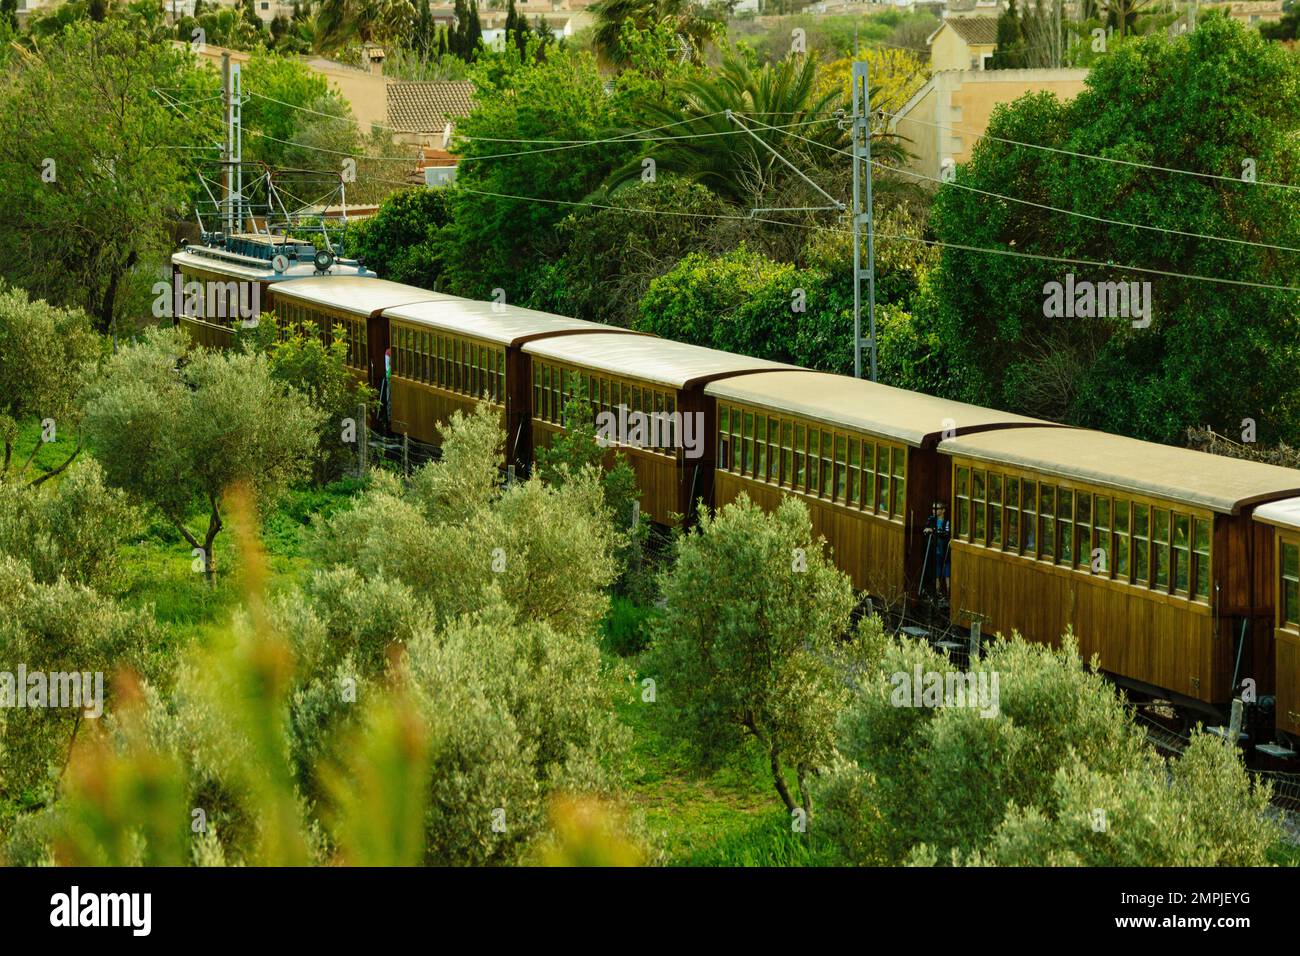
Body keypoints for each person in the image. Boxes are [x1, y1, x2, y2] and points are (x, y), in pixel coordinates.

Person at [923, 501, 952, 604]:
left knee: (947, 568)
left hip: (944, 548)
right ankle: (937, 591)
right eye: (933, 508)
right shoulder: (931, 520)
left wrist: (936, 532)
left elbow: (947, 533)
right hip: (935, 549)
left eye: (937, 509)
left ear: (943, 510)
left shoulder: (947, 521)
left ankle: (948, 591)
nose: (934, 511)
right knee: (936, 568)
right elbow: (926, 529)